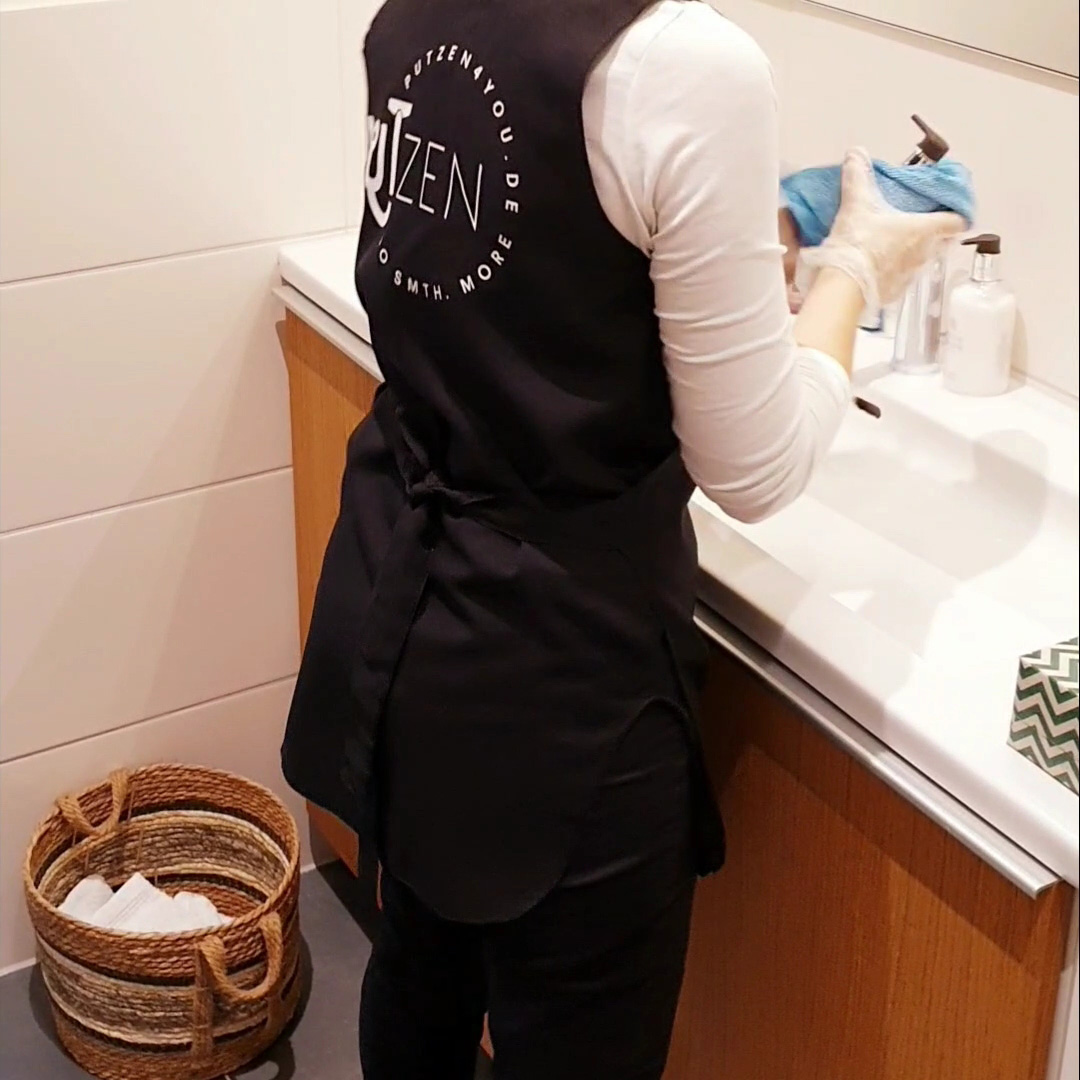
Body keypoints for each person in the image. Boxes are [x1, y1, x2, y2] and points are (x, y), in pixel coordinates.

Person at [280, 1, 964, 1077]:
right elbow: (758, 469)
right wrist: (854, 273)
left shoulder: (414, 11)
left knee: (418, 979)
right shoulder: (692, 63)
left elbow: (527, 271)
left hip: (400, 629)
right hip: (555, 687)